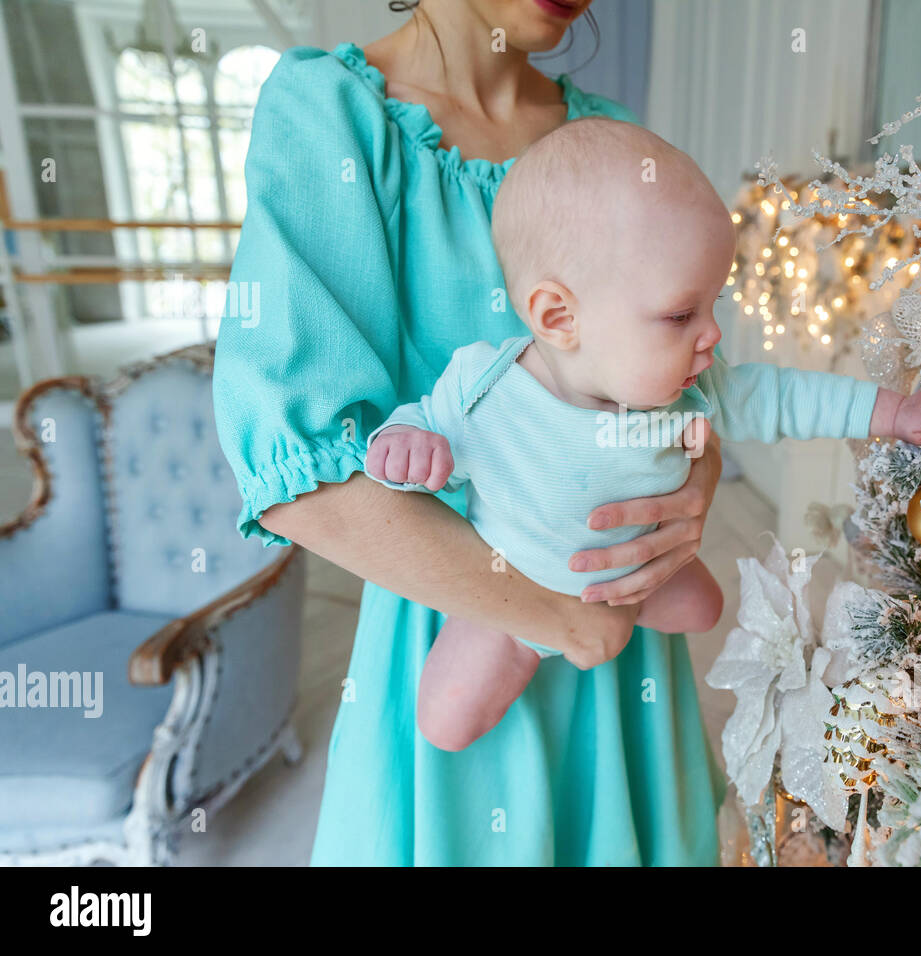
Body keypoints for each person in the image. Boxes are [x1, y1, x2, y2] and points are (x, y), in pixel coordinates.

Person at [213, 0, 729, 865]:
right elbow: (294, 470)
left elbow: (699, 385)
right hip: (462, 622)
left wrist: (694, 487)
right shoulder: (334, 113)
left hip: (621, 607)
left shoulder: (608, 135)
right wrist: (553, 618)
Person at [363, 117, 921, 752]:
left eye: (711, 306)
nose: (711, 334)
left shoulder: (695, 388)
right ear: (559, 317)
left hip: (638, 575)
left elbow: (786, 396)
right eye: (681, 314)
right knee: (445, 722)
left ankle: (625, 607)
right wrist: (407, 442)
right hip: (512, 598)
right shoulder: (485, 387)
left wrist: (896, 411)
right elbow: (418, 424)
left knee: (704, 608)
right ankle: (538, 646)